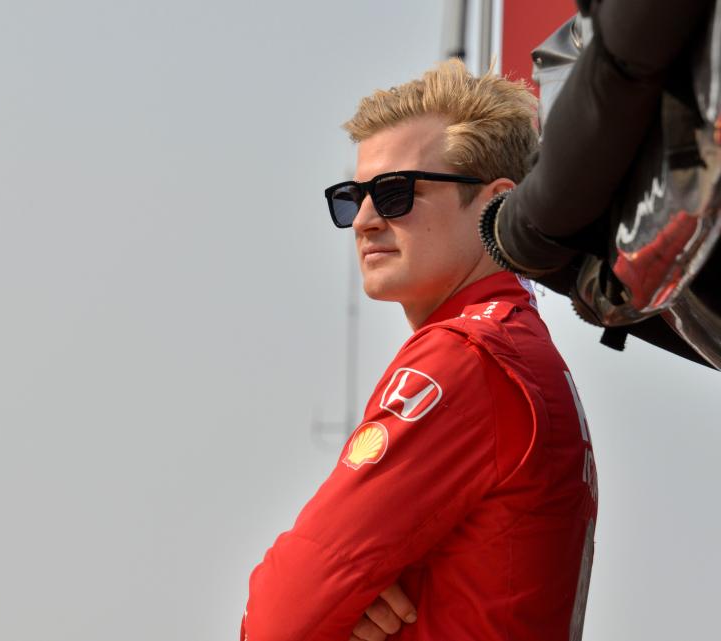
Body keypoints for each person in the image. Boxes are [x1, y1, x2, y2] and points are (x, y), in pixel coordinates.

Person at [241, 60, 599, 641]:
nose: (363, 220)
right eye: (351, 197)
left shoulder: (466, 357)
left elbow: (280, 619)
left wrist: (342, 605)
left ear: (495, 205)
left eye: (395, 192)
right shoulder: (516, 346)